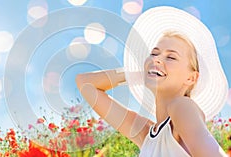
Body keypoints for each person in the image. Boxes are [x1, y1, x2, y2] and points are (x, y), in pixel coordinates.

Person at [75, 6, 228, 157]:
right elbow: (85, 83)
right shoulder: (147, 134)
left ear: (191, 78)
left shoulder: (182, 106)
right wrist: (141, 73)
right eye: (154, 54)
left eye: (171, 57)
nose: (157, 59)